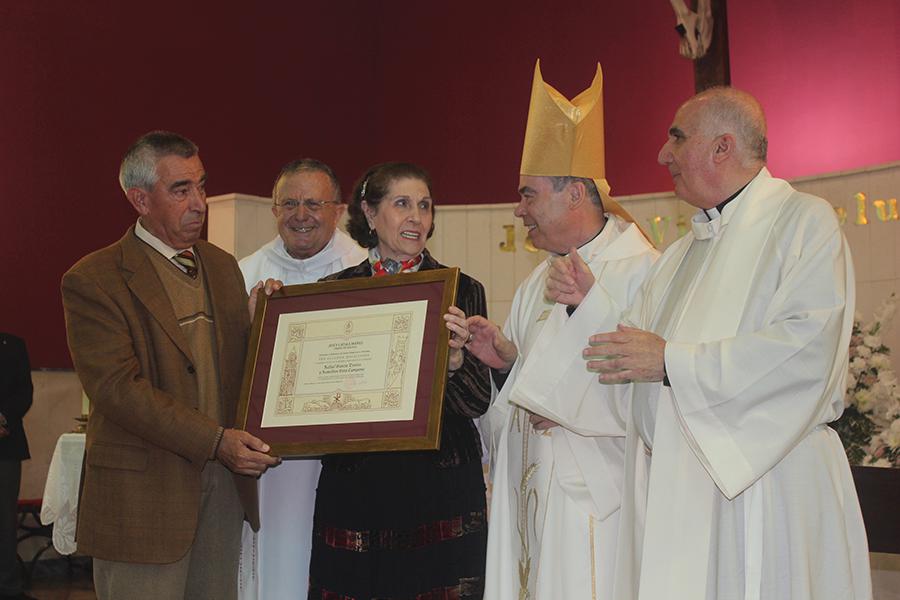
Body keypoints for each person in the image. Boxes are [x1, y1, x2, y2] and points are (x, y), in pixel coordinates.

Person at [581, 87, 872, 599]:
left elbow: (806, 349)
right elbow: (629, 352)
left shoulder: (804, 222)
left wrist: (671, 362)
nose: (662, 155)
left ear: (722, 147)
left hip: (771, 481)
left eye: (677, 138)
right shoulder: (677, 256)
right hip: (684, 487)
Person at [61, 131, 281, 600]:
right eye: (181, 190)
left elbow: (233, 371)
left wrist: (265, 326)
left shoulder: (222, 267)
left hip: (222, 493)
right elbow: (119, 390)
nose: (200, 203)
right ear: (140, 200)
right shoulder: (93, 279)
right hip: (142, 500)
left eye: (201, 185)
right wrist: (215, 441)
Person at [468, 60, 658, 600]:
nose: (518, 209)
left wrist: (569, 404)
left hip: (592, 499)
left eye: (528, 195)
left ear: (574, 193)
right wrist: (507, 363)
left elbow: (652, 389)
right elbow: (528, 389)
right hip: (530, 489)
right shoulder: (536, 282)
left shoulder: (643, 271)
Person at [307, 162, 491, 599]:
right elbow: (320, 398)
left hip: (439, 484)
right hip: (358, 484)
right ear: (370, 214)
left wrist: (454, 361)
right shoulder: (334, 290)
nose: (416, 217)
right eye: (402, 204)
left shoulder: (461, 288)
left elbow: (477, 401)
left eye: (425, 206)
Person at [237, 159, 366, 599]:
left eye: (314, 203)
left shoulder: (364, 270)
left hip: (345, 456)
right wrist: (248, 329)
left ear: (339, 210)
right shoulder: (245, 273)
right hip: (271, 462)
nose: (301, 215)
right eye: (289, 203)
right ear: (274, 210)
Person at [0, 334, 33, 600]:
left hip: (6, 443)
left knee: (5, 520)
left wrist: (3, 417)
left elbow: (25, 392)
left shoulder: (13, 345)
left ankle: (8, 588)